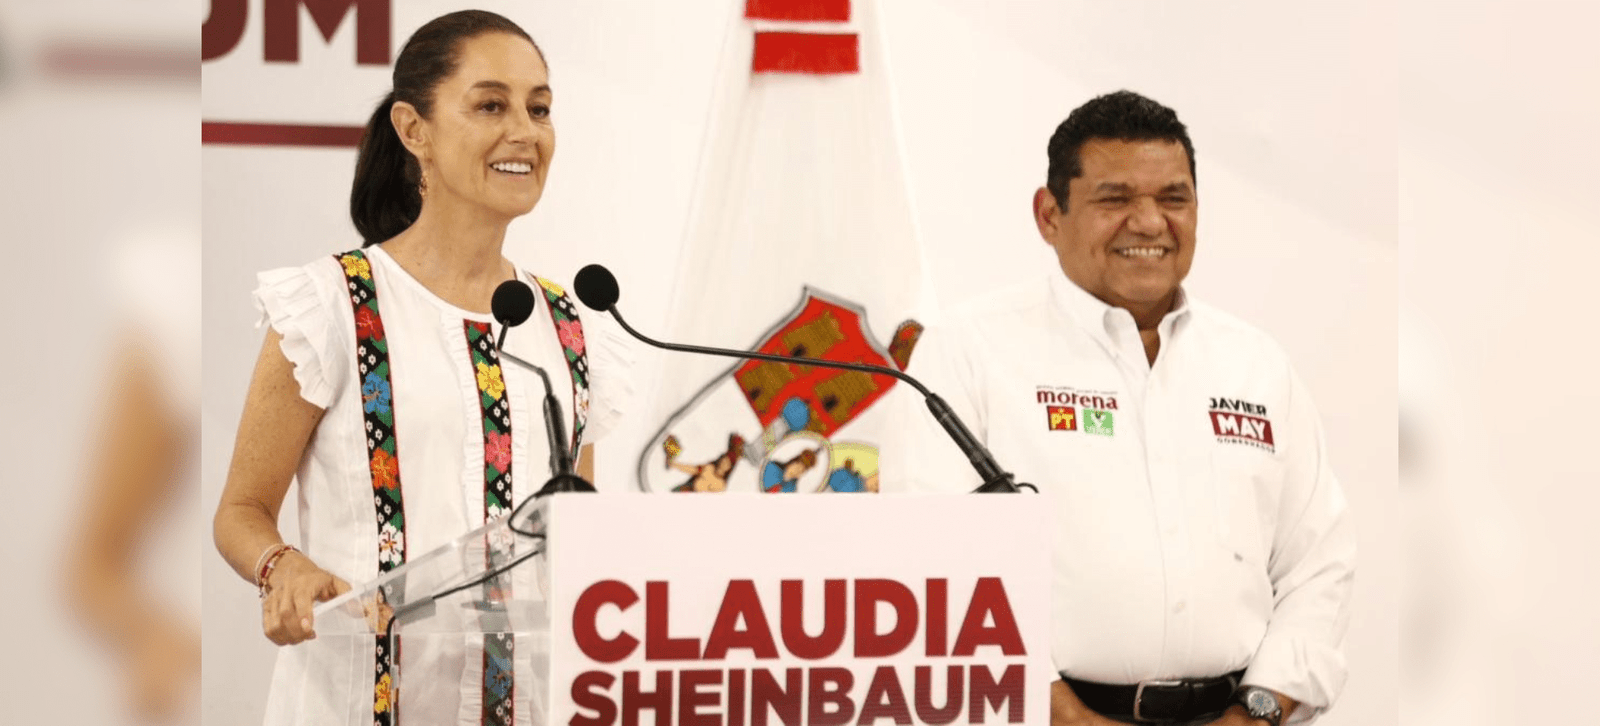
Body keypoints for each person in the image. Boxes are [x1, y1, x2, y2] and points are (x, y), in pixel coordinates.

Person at [211, 11, 630, 726]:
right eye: (490, 105)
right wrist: (283, 567)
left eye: (539, 109)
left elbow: (576, 532)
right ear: (413, 129)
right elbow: (240, 511)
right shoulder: (333, 305)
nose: (524, 132)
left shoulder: (571, 326)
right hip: (354, 704)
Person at [883, 91, 1354, 725]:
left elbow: (1318, 564)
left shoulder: (1256, 364)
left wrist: (1257, 711)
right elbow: (931, 563)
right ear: (1049, 215)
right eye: (1115, 199)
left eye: (1173, 198)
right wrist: (1067, 718)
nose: (1150, 223)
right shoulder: (967, 350)